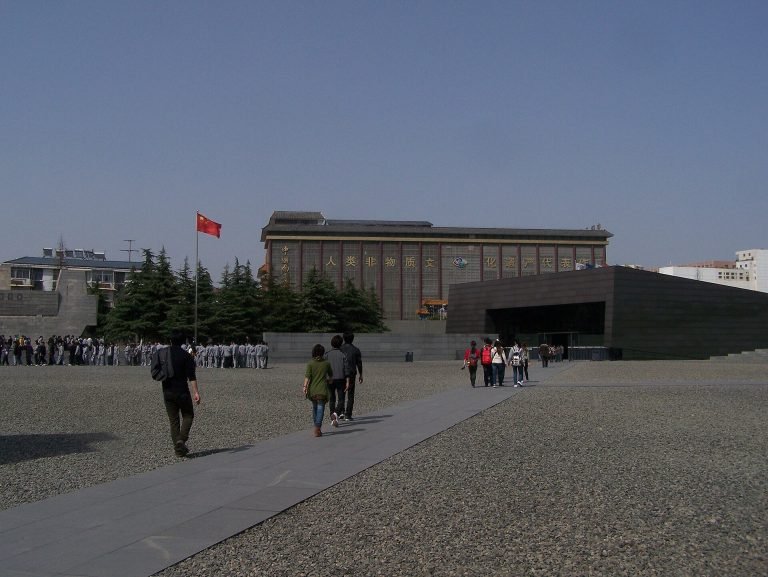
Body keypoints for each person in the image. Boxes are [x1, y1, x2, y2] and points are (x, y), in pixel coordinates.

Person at [152, 332, 201, 457]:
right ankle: (181, 439)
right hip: (182, 390)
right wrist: (196, 392)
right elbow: (192, 377)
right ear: (183, 342)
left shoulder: (163, 354)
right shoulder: (186, 356)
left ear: (170, 341)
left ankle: (178, 449)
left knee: (173, 421)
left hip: (167, 390)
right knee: (188, 415)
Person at [303, 343, 332, 437]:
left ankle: (316, 426)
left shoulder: (310, 363)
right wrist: (330, 381)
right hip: (322, 389)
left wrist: (304, 387)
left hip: (313, 390)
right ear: (323, 352)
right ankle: (317, 428)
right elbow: (331, 375)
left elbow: (307, 377)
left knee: (315, 407)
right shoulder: (326, 363)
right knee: (320, 408)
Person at [325, 335, 349, 427]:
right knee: (341, 399)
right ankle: (336, 413)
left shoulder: (326, 354)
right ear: (341, 344)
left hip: (329, 379)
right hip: (341, 378)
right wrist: (347, 381)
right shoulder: (343, 354)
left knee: (332, 398)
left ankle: (333, 416)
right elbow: (346, 369)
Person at [340, 332, 363, 421]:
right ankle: (348, 414)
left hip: (341, 373)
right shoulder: (356, 350)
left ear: (344, 338)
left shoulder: (340, 349)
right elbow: (359, 363)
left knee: (341, 392)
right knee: (350, 394)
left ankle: (341, 411)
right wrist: (361, 374)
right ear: (352, 339)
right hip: (352, 373)